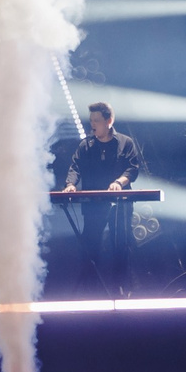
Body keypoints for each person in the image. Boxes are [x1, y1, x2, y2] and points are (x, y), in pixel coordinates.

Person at [60, 102, 146, 293]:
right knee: (89, 246)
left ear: (109, 121)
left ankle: (121, 289)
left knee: (121, 245)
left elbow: (132, 168)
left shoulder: (125, 142)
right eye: (91, 121)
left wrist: (119, 183)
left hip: (119, 205)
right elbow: (75, 166)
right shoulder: (86, 146)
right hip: (93, 205)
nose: (93, 124)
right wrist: (70, 184)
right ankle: (90, 291)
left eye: (97, 120)